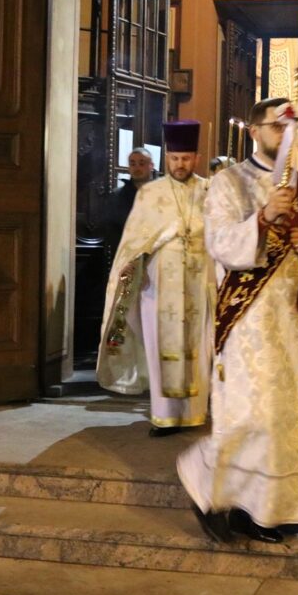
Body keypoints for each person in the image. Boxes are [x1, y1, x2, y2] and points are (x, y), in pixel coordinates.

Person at [177, 97, 298, 544]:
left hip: (295, 321)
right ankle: (206, 483)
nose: (285, 135)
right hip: (249, 321)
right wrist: (263, 217)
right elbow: (220, 243)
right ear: (254, 131)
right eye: (276, 127)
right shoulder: (228, 183)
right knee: (252, 415)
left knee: (290, 417)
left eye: (289, 128)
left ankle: (274, 509)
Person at [96, 121, 215, 437]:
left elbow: (222, 235)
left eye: (186, 158)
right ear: (166, 158)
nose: (180, 164)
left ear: (197, 158)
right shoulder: (150, 194)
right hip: (158, 286)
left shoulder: (210, 191)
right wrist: (130, 267)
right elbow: (134, 241)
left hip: (199, 283)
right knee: (160, 346)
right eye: (174, 158)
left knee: (199, 348)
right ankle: (164, 416)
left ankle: (194, 413)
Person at [104, 148, 155, 257]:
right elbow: (111, 231)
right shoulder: (117, 197)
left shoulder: (163, 195)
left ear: (151, 166)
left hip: (157, 256)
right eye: (133, 164)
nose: (137, 168)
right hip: (127, 257)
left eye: (142, 163)